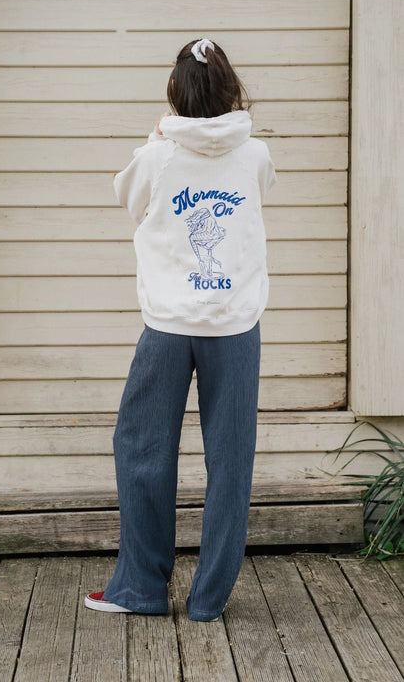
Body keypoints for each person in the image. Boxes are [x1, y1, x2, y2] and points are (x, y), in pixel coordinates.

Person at [85, 38, 276, 622]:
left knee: (142, 447)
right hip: (235, 323)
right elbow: (259, 195)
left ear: (175, 92)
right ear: (231, 89)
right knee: (230, 460)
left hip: (168, 324)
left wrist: (155, 139)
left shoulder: (158, 156)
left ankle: (140, 589)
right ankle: (209, 599)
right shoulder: (256, 154)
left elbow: (128, 199)